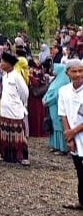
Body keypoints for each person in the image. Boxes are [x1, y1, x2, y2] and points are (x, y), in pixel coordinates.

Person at [58, 59, 83, 210]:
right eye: (74, 71)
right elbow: (63, 114)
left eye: (81, 71)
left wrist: (73, 132)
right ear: (67, 73)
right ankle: (81, 201)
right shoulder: (64, 91)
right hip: (74, 138)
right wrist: (70, 137)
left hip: (78, 133)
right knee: (80, 173)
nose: (78, 74)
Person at [0, 52, 30, 165]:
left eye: (2, 62)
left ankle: (21, 156)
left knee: (17, 132)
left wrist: (22, 104)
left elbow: (24, 92)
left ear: (9, 64)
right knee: (5, 130)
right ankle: (6, 155)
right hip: (5, 108)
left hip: (15, 109)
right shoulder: (4, 75)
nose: (0, 64)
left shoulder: (16, 76)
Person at [42, 64, 69, 154]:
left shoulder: (63, 81)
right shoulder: (56, 80)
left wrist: (47, 101)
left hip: (57, 106)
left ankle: (63, 148)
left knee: (59, 126)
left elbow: (57, 95)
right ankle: (55, 145)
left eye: (55, 69)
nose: (53, 71)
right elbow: (49, 91)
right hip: (51, 107)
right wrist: (44, 98)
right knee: (53, 125)